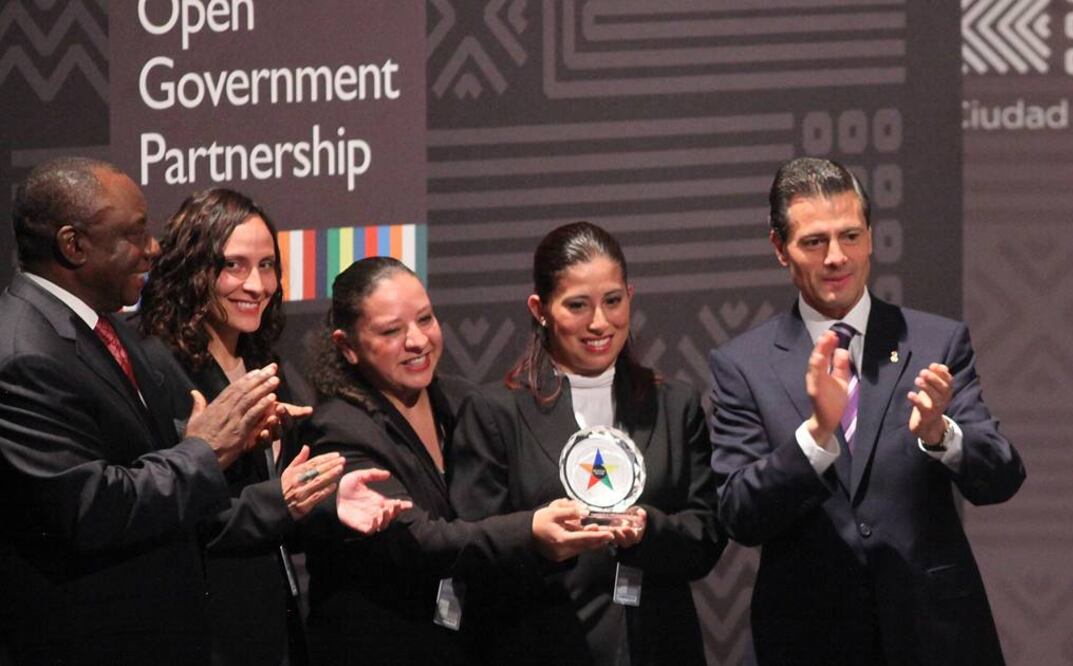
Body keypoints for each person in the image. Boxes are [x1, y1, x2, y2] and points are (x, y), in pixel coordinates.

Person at [709, 157, 1026, 665]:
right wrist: (815, 436)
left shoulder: (934, 342)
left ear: (872, 237)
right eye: (814, 242)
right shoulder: (742, 366)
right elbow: (739, 514)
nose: (837, 257)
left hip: (935, 635)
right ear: (779, 249)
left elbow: (1002, 476)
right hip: (808, 641)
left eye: (851, 236)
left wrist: (942, 434)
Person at [0, 157, 282, 664]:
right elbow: (89, 508)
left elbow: (124, 453)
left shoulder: (87, 328)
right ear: (73, 245)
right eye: (135, 233)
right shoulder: (25, 354)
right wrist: (204, 450)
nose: (153, 249)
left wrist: (225, 438)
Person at [302, 257, 614, 666]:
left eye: (426, 319)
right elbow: (419, 542)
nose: (418, 341)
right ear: (348, 346)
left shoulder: (463, 399)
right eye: (392, 331)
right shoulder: (338, 430)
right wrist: (529, 530)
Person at [449, 222, 726, 666]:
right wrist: (537, 539)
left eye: (613, 301)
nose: (600, 322)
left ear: (630, 297)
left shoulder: (675, 404)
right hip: (543, 647)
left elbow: (707, 535)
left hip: (658, 647)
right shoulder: (495, 412)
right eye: (577, 305)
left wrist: (646, 528)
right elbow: (470, 552)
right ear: (540, 309)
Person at [137, 188, 361, 665]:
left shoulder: (262, 363)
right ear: (192, 270)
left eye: (267, 266)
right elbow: (177, 516)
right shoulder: (158, 367)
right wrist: (283, 499)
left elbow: (283, 507)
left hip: (273, 620)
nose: (257, 285)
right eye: (234, 265)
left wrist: (334, 502)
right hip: (203, 627)